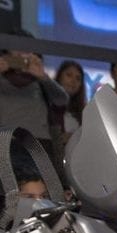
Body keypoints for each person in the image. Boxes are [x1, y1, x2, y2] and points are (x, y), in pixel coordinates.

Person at [0, 31, 68, 179]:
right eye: (16, 48)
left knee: (42, 191)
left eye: (26, 48)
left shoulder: (40, 81)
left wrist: (43, 77)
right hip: (6, 144)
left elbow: (62, 100)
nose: (21, 53)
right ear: (6, 51)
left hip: (40, 146)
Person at [55, 60, 87, 143]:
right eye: (69, 75)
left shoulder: (84, 112)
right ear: (59, 77)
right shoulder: (44, 103)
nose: (73, 81)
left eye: (78, 78)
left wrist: (74, 138)